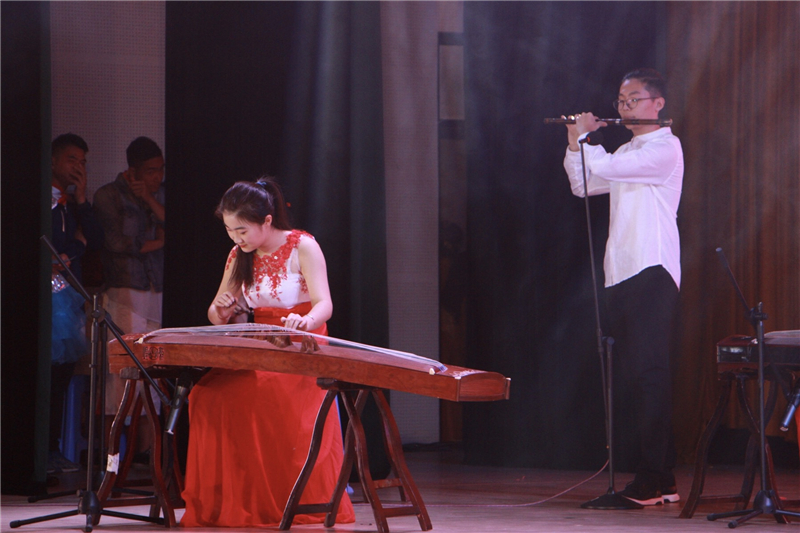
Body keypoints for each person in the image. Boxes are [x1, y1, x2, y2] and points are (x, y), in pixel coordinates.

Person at [180, 177, 355, 527]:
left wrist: (304, 321)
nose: (236, 238)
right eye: (229, 230)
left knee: (254, 396)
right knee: (206, 395)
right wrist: (221, 310)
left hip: (303, 347)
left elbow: (325, 304)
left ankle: (275, 499)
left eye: (242, 230)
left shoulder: (303, 246)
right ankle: (239, 499)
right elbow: (215, 313)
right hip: (261, 347)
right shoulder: (238, 255)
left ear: (267, 221)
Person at [562, 68, 683, 506]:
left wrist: (585, 136)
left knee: (650, 375)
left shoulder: (664, 148)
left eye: (633, 99)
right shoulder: (628, 150)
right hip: (622, 272)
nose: (625, 107)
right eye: (621, 101)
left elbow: (606, 167)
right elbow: (584, 185)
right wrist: (575, 141)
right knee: (635, 378)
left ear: (657, 103)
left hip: (652, 269)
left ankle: (653, 479)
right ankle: (659, 479)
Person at [93, 136, 165, 451]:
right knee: (122, 371)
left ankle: (147, 452)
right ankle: (111, 453)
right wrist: (159, 242)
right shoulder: (108, 195)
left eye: (160, 170)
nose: (157, 177)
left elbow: (176, 224)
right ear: (132, 171)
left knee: (155, 368)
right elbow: (117, 243)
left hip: (156, 287)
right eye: (150, 171)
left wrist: (148, 197)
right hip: (124, 288)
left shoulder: (159, 193)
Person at [49, 133, 105, 474]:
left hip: (69, 296)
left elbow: (95, 240)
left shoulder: (72, 204)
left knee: (62, 374)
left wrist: (82, 200)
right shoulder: (45, 201)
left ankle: (53, 449)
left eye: (83, 162)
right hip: (47, 298)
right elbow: (55, 246)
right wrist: (75, 248)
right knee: (45, 373)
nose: (78, 167)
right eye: (72, 160)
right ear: (53, 160)